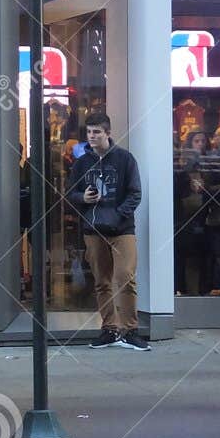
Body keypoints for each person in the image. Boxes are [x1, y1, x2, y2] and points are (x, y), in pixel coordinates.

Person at [66, 113, 148, 351]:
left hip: (122, 229)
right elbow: (70, 193)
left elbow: (135, 193)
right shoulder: (81, 163)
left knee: (125, 277)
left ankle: (130, 330)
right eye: (89, 132)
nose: (92, 137)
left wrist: (118, 214)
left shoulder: (124, 159)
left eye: (97, 132)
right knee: (102, 282)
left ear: (108, 133)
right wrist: (84, 197)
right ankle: (110, 328)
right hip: (93, 229)